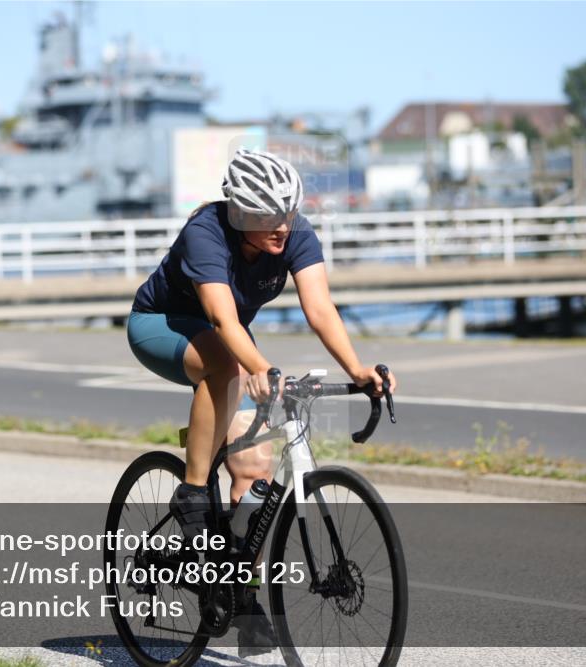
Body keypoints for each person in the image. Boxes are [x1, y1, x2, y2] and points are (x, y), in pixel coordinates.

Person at [127, 148, 397, 656]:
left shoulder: (294, 232)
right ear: (240, 213)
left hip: (226, 341)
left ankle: (239, 595)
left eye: (287, 215)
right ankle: (191, 491)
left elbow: (319, 309)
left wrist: (357, 369)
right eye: (267, 218)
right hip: (162, 325)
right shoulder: (205, 233)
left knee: (253, 470)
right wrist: (257, 367)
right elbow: (225, 323)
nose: (281, 227)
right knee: (224, 366)